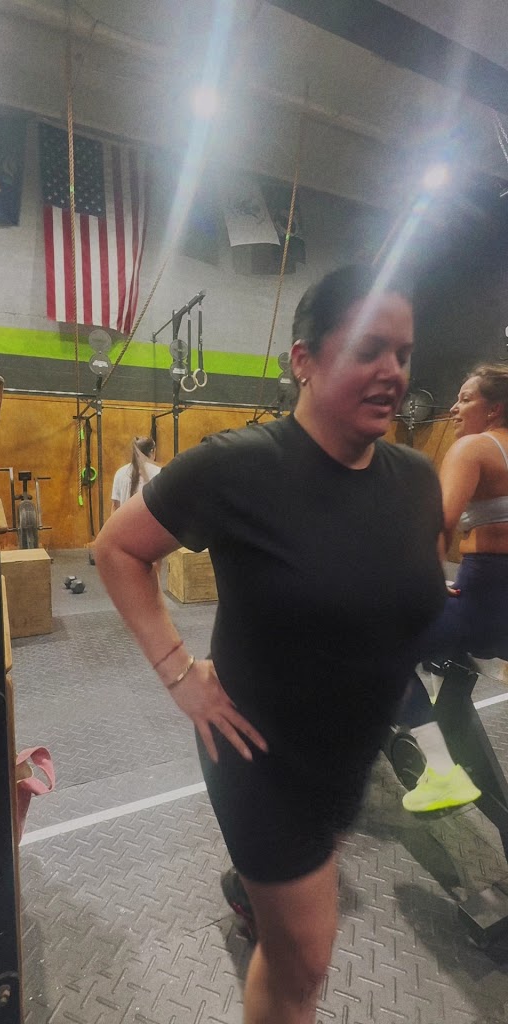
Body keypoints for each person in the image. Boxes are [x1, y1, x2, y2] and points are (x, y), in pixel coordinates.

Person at [94, 265, 446, 1024]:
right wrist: (179, 673)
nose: (393, 371)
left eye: (404, 353)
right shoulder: (240, 467)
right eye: (368, 349)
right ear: (304, 360)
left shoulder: (418, 479)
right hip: (259, 758)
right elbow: (116, 549)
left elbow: (401, 587)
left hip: (349, 759)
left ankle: (259, 901)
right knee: (305, 962)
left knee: (292, 945)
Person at [398, 365, 508, 812]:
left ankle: (442, 771)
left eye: (465, 399)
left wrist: (426, 583)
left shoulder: (474, 448)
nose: (454, 408)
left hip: (485, 604)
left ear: (493, 408)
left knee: (382, 649)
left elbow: (440, 524)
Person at [110, 435, 159, 514]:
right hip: (149, 521)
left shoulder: (120, 473)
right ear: (152, 451)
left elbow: (115, 506)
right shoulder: (158, 473)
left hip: (125, 521)